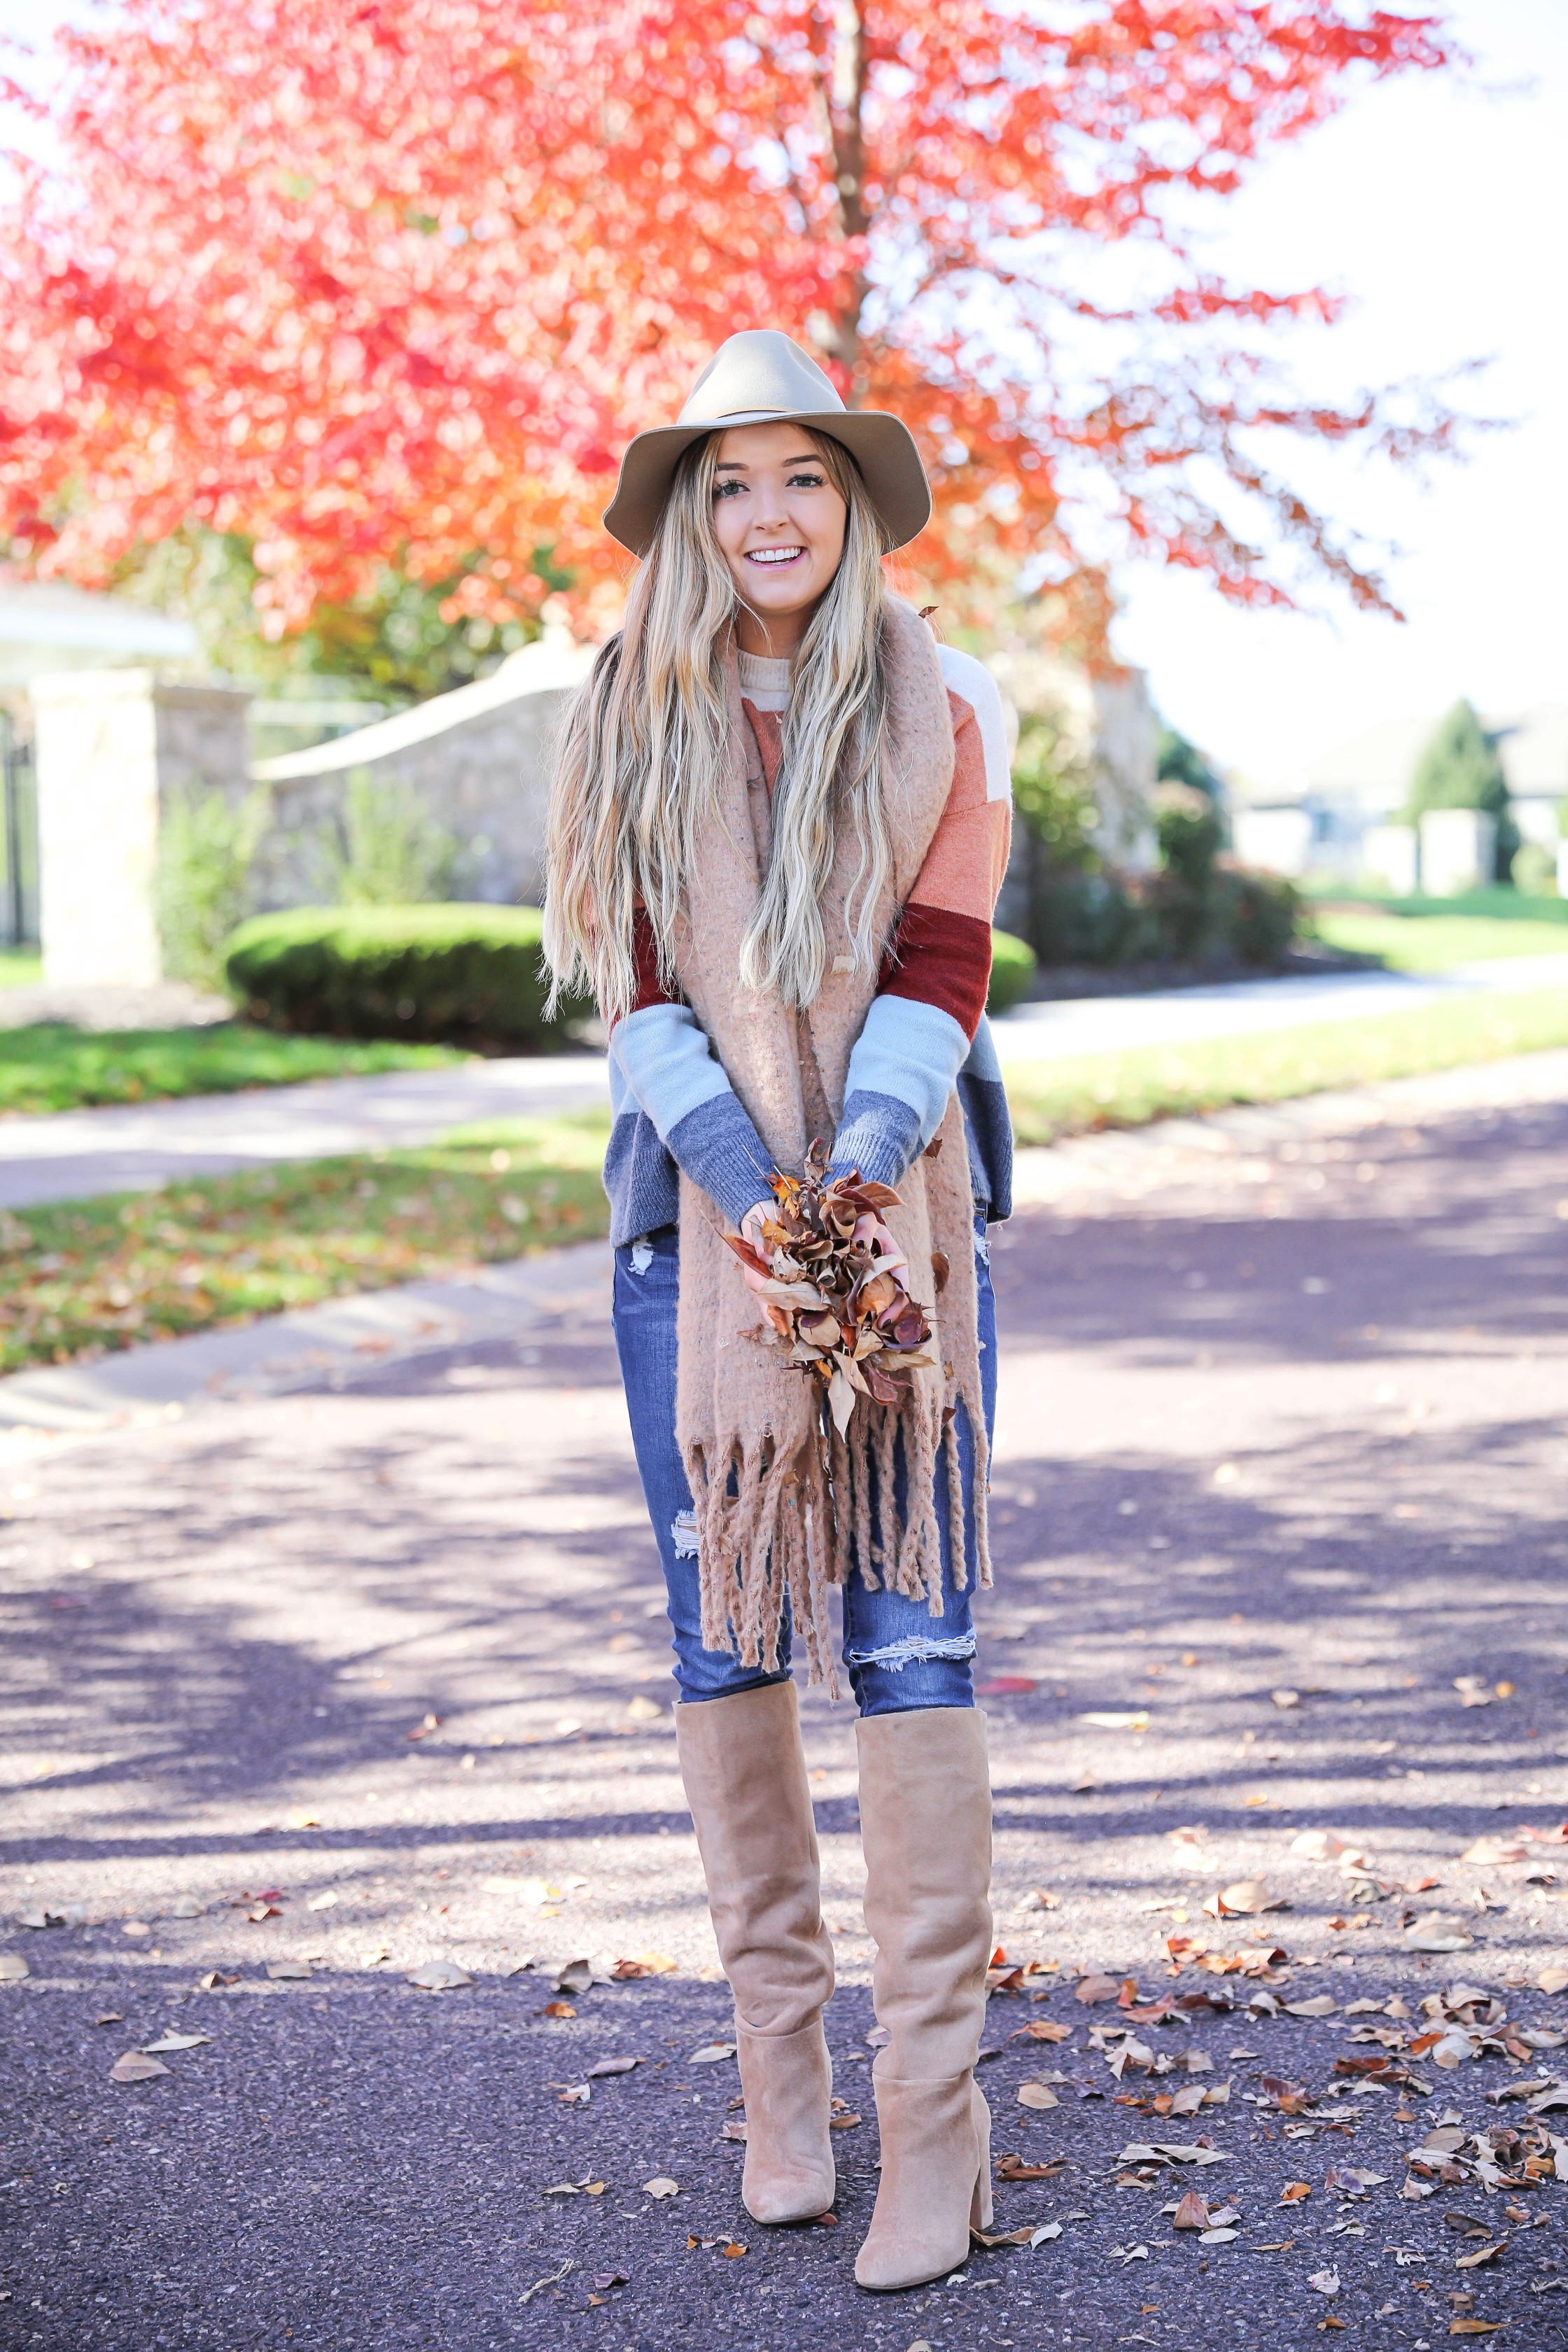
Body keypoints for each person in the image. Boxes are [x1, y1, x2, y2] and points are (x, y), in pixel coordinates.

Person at [542, 330, 1014, 2293]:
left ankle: (936, 2131)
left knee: (911, 1645)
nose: (766, 516)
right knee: (729, 1640)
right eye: (728, 484)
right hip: (694, 1242)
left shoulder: (945, 704)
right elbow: (641, 995)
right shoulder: (620, 721)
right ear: (684, 514)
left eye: (801, 478)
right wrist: (751, 1192)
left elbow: (943, 957)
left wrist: (855, 1163)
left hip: (897, 1229)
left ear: (853, 503)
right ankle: (777, 2094)